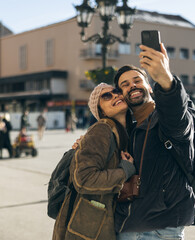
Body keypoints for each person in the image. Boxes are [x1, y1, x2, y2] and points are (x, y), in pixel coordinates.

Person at [113, 43, 195, 239]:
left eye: (137, 80)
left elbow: (178, 118)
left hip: (161, 227)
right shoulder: (129, 130)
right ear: (122, 96)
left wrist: (166, 80)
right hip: (127, 226)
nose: (131, 85)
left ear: (149, 86)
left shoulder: (166, 118)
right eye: (124, 85)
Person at [52, 83, 136, 240]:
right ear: (101, 111)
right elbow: (83, 179)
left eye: (116, 91)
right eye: (106, 96)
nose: (115, 95)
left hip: (101, 225)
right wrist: (124, 171)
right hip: (85, 229)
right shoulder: (102, 129)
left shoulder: (126, 133)